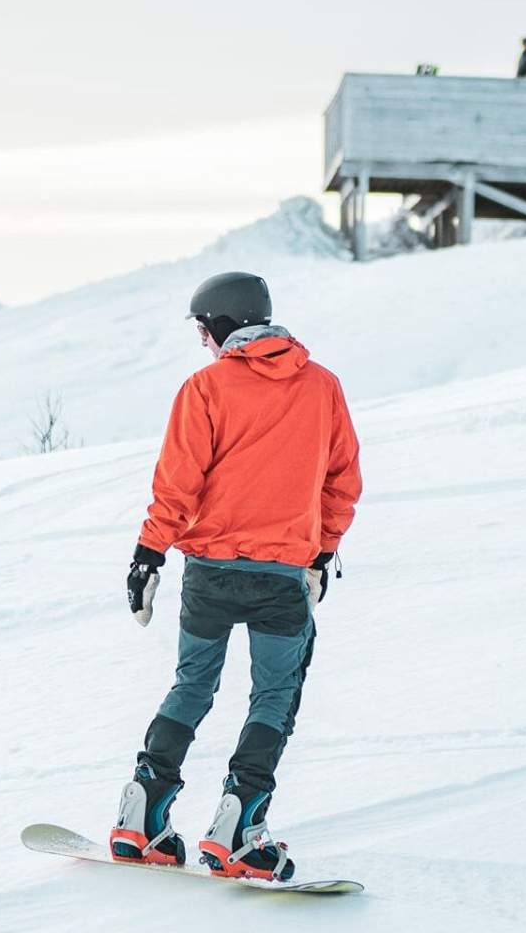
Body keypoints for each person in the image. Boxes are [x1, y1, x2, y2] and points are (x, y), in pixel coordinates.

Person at [111, 271, 363, 883]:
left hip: (210, 574)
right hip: (282, 576)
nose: (203, 342)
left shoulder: (205, 388)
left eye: (204, 329)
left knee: (192, 685)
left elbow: (177, 482)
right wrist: (322, 553)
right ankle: (241, 829)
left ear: (222, 323)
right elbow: (342, 480)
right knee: (274, 696)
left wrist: (149, 554)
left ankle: (142, 814)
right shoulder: (322, 386)